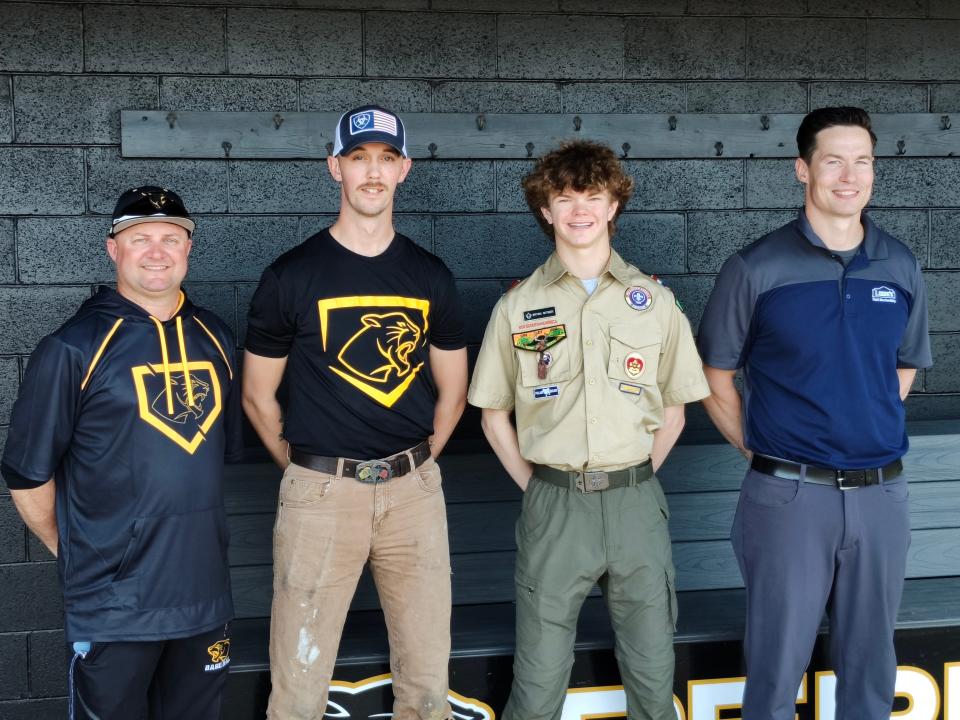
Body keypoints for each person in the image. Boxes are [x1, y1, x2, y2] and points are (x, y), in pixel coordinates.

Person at [697, 107, 932, 719]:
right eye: (833, 160)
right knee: (776, 672)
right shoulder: (756, 267)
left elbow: (903, 366)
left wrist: (860, 422)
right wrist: (759, 448)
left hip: (882, 495)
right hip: (790, 499)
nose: (849, 176)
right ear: (803, 170)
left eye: (863, 161)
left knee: (871, 671)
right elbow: (713, 376)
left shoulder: (899, 264)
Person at [468, 139, 710, 720]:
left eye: (592, 197)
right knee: (538, 680)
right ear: (546, 210)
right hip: (554, 504)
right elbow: (493, 414)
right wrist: (539, 487)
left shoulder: (652, 301)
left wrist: (636, 476)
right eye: (565, 197)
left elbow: (675, 410)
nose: (579, 210)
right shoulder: (518, 306)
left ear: (612, 207)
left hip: (634, 502)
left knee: (654, 677)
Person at [242, 104, 468, 720]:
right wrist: (301, 467)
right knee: (298, 688)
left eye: (386, 159)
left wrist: (419, 465)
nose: (373, 172)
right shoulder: (292, 275)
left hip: (414, 493)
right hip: (322, 491)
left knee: (426, 685)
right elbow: (258, 397)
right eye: (359, 158)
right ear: (334, 167)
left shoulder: (429, 274)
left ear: (404, 170)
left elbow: (453, 390)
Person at [1, 187, 239, 720]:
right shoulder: (73, 347)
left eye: (170, 238)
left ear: (188, 248)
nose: (157, 251)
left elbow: (209, 465)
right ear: (113, 249)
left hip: (203, 597)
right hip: (113, 606)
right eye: (140, 239)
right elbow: (25, 473)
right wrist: (74, 548)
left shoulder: (216, 338)